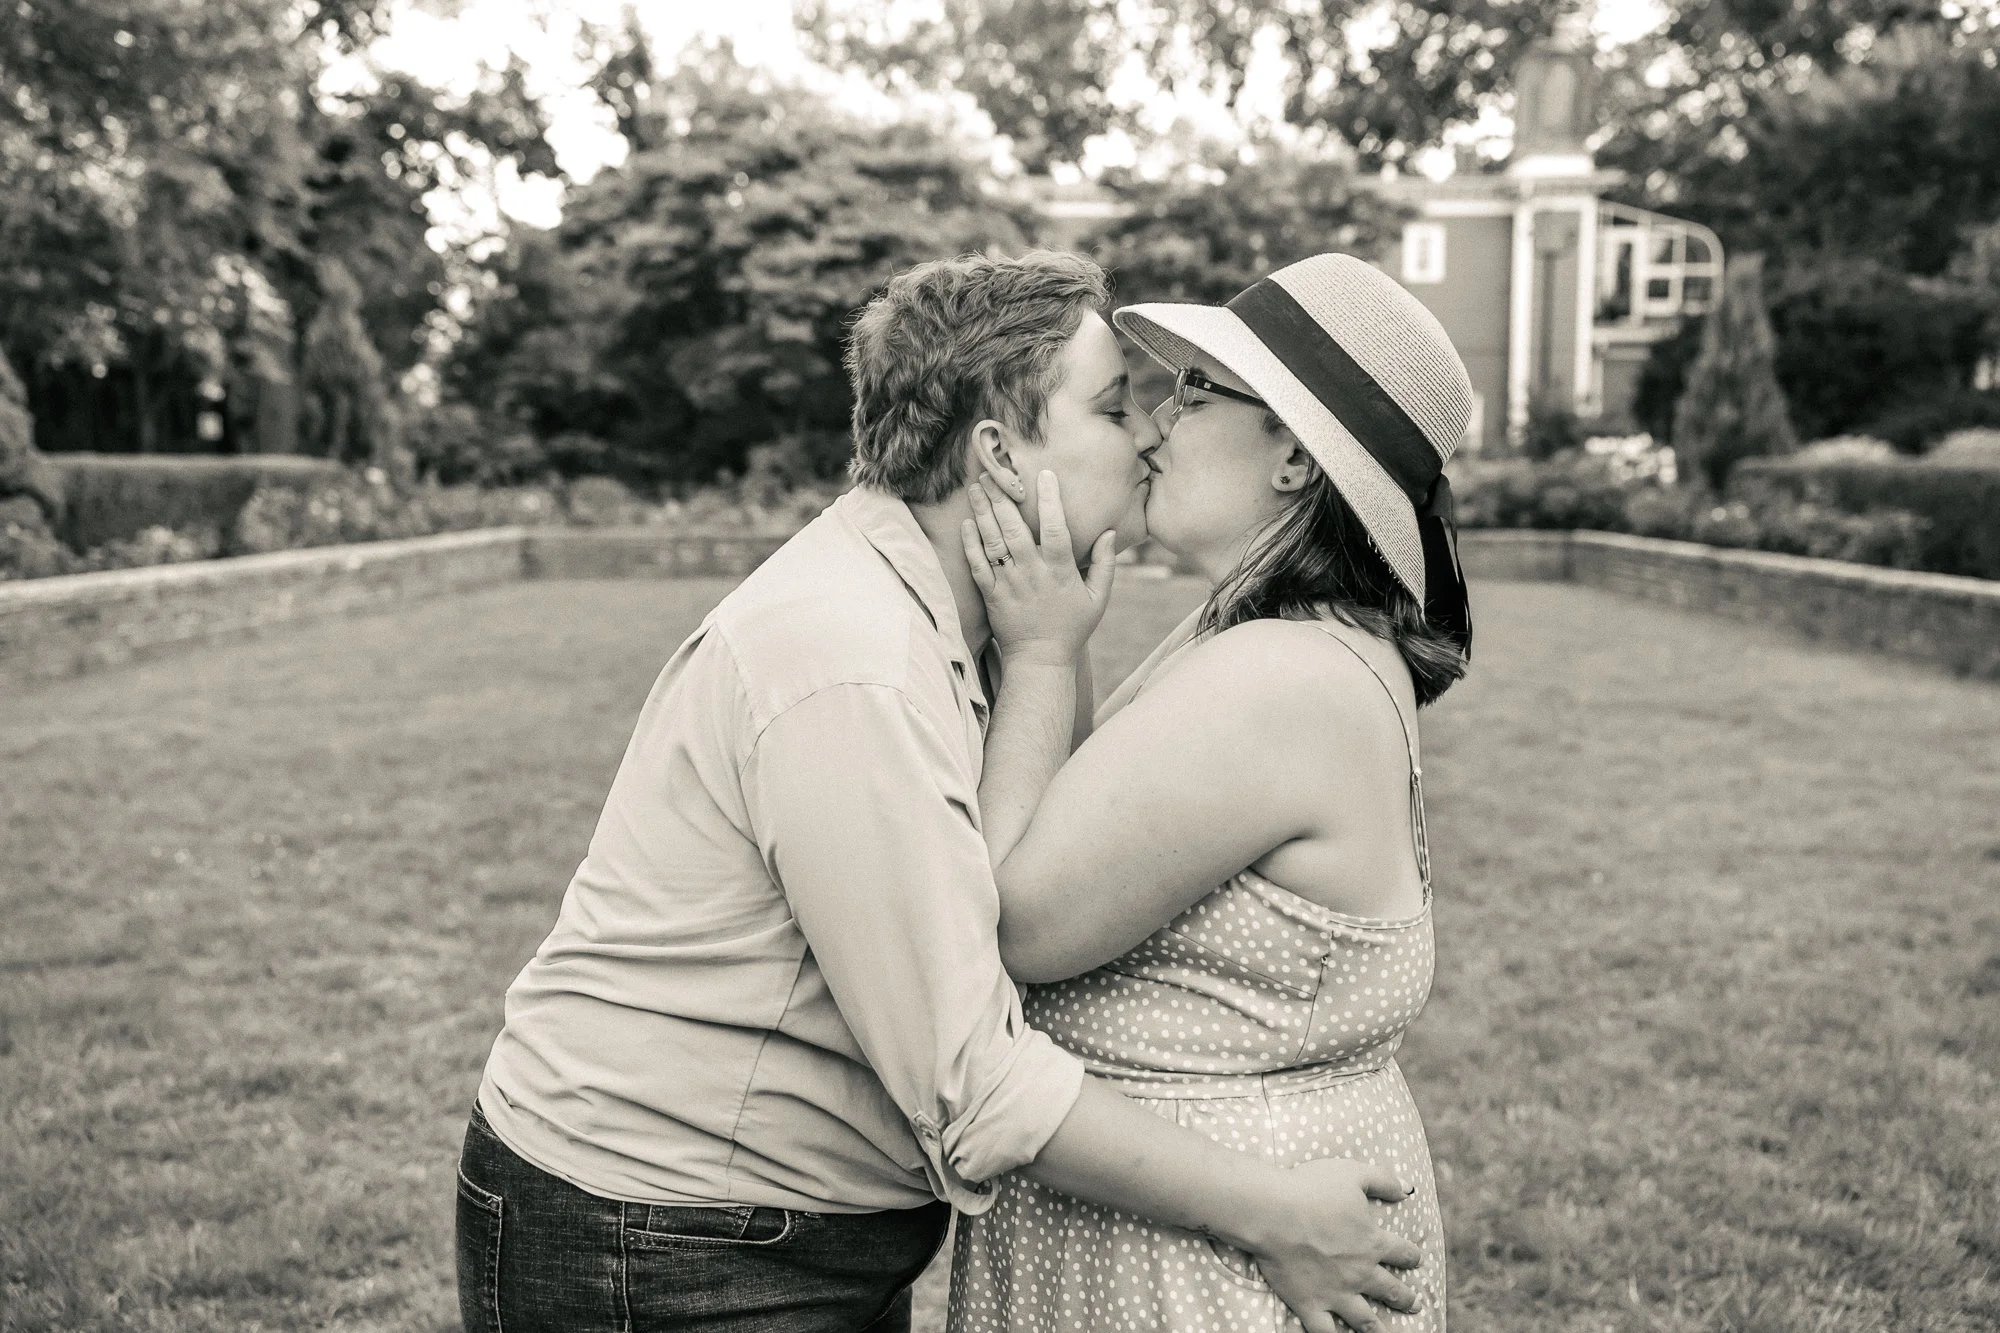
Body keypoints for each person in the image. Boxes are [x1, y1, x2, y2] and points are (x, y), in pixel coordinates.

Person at [454, 251, 1424, 1333]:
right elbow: (973, 1078)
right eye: (1112, 406)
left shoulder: (976, 622)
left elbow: (1055, 835)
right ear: (1000, 456)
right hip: (664, 1236)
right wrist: (1273, 1211)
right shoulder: (850, 662)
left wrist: (1051, 650)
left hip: (765, 1229)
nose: (1147, 430)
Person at [947, 252, 1475, 1333]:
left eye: (1195, 392)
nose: (1152, 424)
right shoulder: (1268, 643)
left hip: (1206, 1271)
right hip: (1217, 1237)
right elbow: (1089, 824)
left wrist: (1042, 655)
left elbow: (1015, 923)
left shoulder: (1278, 678)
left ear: (1291, 453)